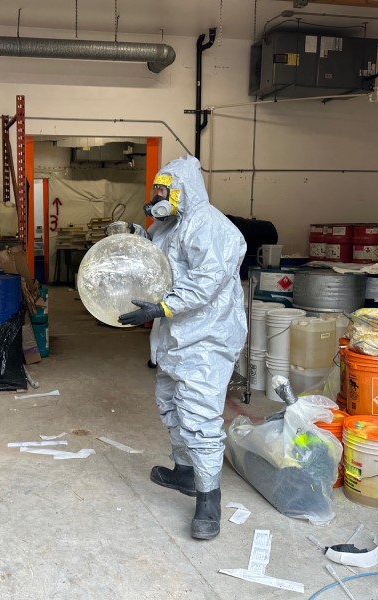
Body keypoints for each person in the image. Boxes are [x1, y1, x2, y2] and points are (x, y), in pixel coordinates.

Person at [117, 155, 247, 540]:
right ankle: (185, 472)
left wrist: (162, 307)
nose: (158, 197)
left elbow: (207, 281)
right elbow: (158, 264)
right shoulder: (168, 226)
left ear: (184, 190)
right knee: (170, 404)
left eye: (165, 190)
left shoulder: (210, 227)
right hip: (175, 336)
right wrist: (136, 237)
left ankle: (209, 500)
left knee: (200, 417)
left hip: (206, 338)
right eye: (156, 191)